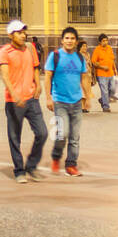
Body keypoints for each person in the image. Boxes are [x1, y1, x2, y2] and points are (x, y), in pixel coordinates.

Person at [0, 20, 48, 183]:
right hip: (14, 101)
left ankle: (31, 166)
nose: (23, 35)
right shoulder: (4, 51)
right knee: (14, 137)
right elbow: (4, 75)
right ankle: (19, 170)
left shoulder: (30, 48)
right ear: (10, 35)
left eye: (24, 32)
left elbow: (35, 67)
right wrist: (14, 94)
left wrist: (38, 84)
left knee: (42, 133)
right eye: (19, 32)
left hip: (31, 98)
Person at [44, 26, 87, 177]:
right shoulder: (55, 56)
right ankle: (56, 156)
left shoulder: (80, 58)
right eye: (67, 38)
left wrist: (86, 97)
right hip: (60, 102)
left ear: (76, 41)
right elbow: (48, 76)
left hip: (76, 102)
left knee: (75, 137)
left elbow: (84, 78)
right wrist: (48, 98)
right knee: (63, 133)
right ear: (62, 40)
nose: (69, 41)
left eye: (72, 38)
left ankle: (71, 165)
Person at [91, 33, 118, 112]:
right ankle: (106, 106)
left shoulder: (109, 48)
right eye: (103, 41)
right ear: (100, 42)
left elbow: (112, 59)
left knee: (112, 89)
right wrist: (102, 67)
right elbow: (94, 62)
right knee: (105, 90)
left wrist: (115, 69)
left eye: (106, 40)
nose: (105, 42)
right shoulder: (97, 50)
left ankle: (103, 100)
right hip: (101, 74)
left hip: (110, 73)